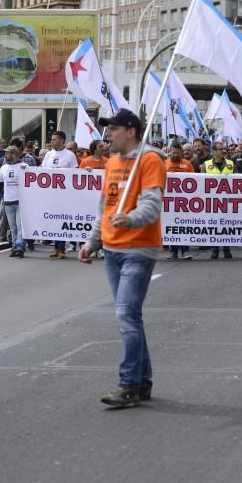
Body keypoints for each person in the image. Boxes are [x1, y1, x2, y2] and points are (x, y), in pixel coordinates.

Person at [78, 109, 167, 408]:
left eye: (113, 129)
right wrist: (92, 241)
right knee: (131, 318)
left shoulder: (151, 160)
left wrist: (129, 220)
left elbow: (152, 205)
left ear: (130, 132)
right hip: (112, 250)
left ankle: (128, 384)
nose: (108, 135)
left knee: (126, 316)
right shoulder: (112, 162)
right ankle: (142, 383)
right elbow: (105, 208)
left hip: (138, 249)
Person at [42, 131, 78, 258]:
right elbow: (42, 172)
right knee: (52, 219)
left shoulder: (70, 155)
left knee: (61, 219)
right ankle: (56, 247)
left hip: (64, 194)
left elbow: (75, 174)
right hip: (51, 194)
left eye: (54, 140)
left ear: (62, 140)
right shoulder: (48, 155)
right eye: (51, 139)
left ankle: (62, 248)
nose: (52, 142)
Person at [201, 143, 234, 259]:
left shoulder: (231, 164)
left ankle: (226, 248)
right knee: (214, 225)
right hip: (212, 201)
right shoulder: (206, 165)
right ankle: (215, 249)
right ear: (214, 151)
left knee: (227, 225)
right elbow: (200, 183)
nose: (223, 151)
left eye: (224, 149)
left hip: (228, 200)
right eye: (221, 149)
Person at [0, 146, 25, 258]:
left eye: (7, 153)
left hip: (21, 201)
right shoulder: (3, 168)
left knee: (20, 226)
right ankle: (14, 247)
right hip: (8, 201)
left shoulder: (23, 167)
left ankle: (20, 246)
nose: (5, 155)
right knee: (13, 227)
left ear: (14, 154)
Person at [165, 142, 194, 261]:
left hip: (184, 203)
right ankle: (173, 250)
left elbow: (194, 180)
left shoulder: (187, 164)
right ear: (169, 152)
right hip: (169, 202)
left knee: (183, 226)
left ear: (181, 153)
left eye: (177, 153)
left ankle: (185, 250)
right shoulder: (164, 163)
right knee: (171, 225)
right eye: (173, 152)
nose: (175, 155)